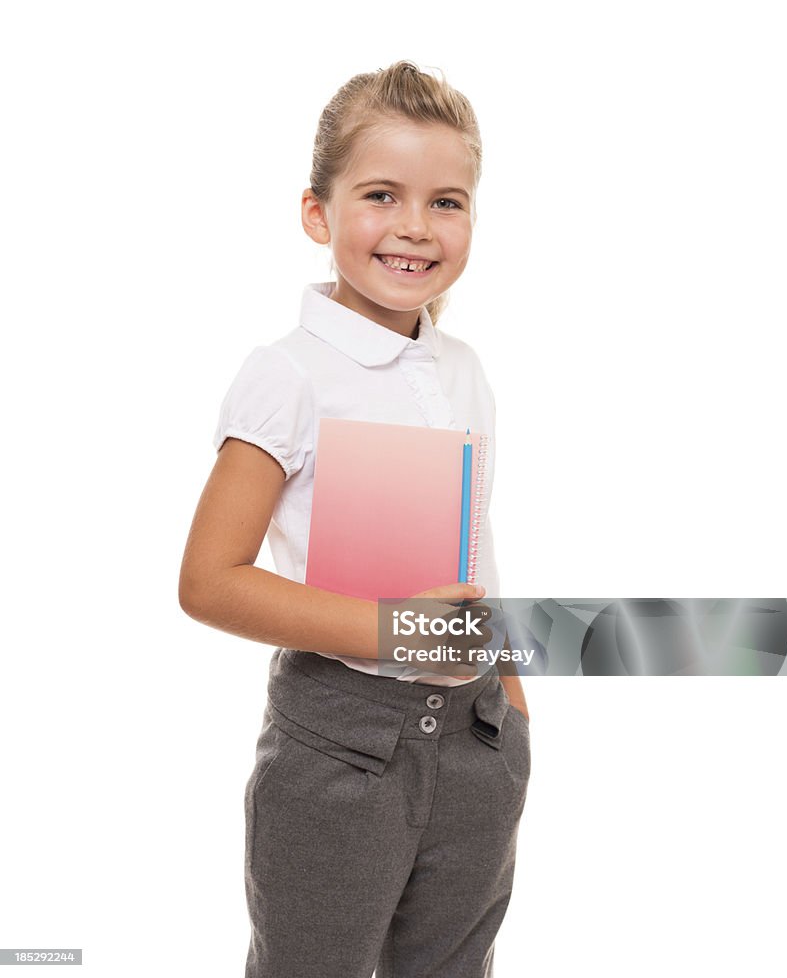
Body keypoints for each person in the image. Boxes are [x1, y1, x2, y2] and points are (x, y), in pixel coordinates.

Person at [179, 59, 531, 978]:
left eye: (447, 201)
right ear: (317, 213)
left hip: (475, 737)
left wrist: (511, 706)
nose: (416, 226)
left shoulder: (465, 369)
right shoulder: (288, 373)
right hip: (343, 746)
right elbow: (209, 581)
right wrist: (393, 629)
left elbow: (475, 546)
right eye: (382, 194)